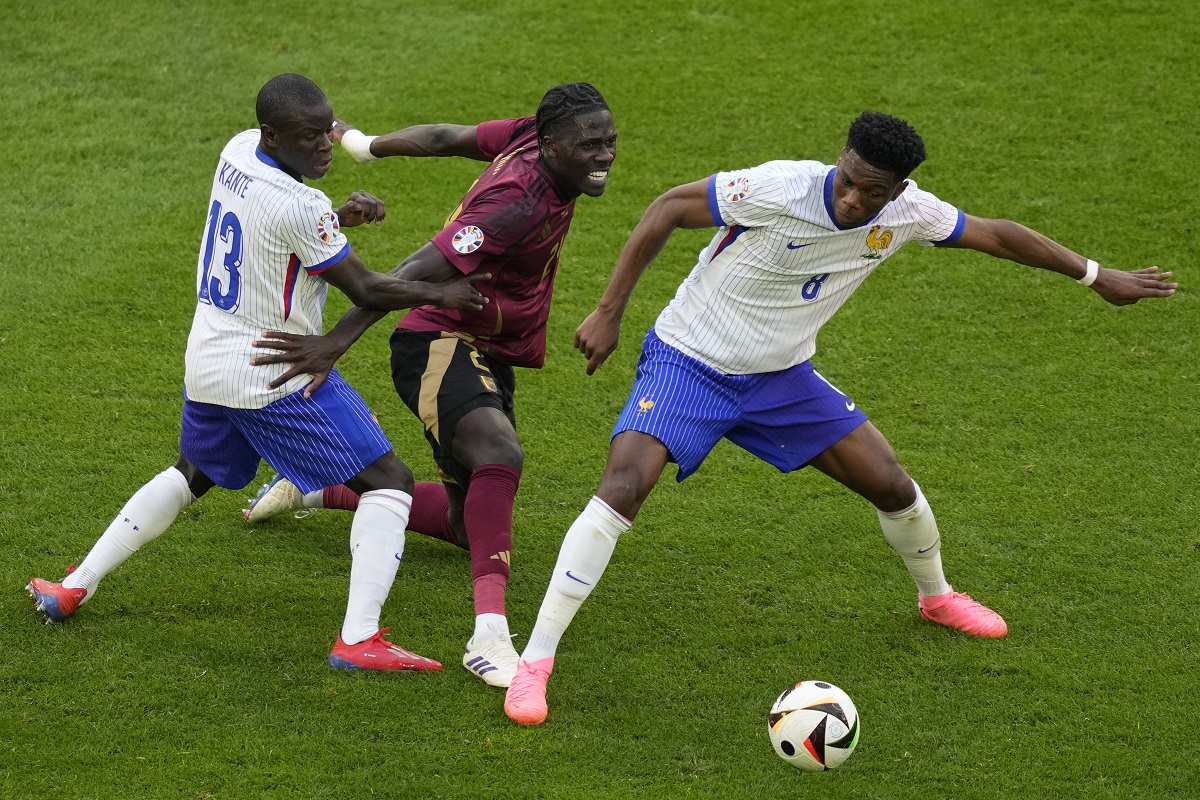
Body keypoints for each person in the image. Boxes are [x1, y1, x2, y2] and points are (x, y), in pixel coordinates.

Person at [502, 110, 1177, 725]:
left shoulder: (910, 213)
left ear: (897, 189)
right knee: (622, 487)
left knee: (892, 485)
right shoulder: (778, 187)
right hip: (690, 360)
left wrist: (1097, 275)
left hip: (781, 377)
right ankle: (534, 662)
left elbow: (996, 235)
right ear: (841, 157)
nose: (855, 199)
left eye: (873, 192)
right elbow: (668, 208)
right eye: (850, 181)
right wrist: (611, 309)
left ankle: (936, 597)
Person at [26, 73, 490, 674]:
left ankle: (74, 585)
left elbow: (269, 235)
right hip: (271, 368)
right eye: (309, 136)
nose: (325, 145)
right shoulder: (300, 206)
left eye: (328, 131)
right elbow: (368, 286)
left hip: (209, 356)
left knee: (191, 472)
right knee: (390, 482)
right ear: (275, 133)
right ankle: (359, 640)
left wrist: (335, 222)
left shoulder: (239, 150)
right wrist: (446, 291)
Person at [242, 82, 618, 688]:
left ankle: (326, 488)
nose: (603, 156)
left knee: (471, 524)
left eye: (608, 142)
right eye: (590, 146)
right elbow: (415, 270)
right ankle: (489, 636)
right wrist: (335, 343)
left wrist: (364, 145)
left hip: (486, 343)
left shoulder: (533, 133)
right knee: (499, 453)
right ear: (551, 146)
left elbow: (446, 138)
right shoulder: (515, 204)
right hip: (437, 341)